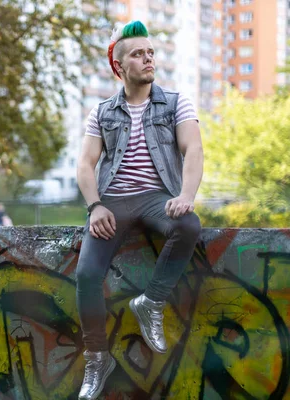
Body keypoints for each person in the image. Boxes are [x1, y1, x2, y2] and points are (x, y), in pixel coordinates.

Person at [75, 21, 203, 399]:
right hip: (113, 200)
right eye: (137, 54)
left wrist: (186, 194)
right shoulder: (101, 112)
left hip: (157, 196)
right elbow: (85, 164)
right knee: (86, 274)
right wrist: (95, 205)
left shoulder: (177, 102)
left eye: (150, 53)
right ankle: (98, 357)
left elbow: (192, 150)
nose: (148, 59)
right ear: (119, 66)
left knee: (189, 226)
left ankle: (151, 302)